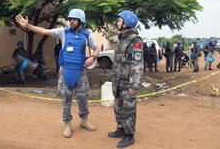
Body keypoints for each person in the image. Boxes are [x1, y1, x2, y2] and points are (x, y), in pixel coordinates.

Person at [15, 8, 100, 138]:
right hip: (66, 70)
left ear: (81, 21)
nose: (71, 21)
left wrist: (93, 57)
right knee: (66, 98)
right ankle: (67, 123)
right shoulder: (63, 32)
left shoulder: (87, 35)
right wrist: (28, 26)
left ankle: (84, 121)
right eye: (70, 19)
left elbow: (96, 48)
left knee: (83, 97)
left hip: (81, 71)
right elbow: (44, 31)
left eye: (74, 19)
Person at [108, 10, 143, 148]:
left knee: (128, 109)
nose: (117, 22)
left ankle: (129, 135)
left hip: (128, 82)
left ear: (127, 23)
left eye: (119, 20)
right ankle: (121, 129)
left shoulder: (135, 41)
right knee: (118, 107)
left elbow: (137, 64)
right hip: (118, 81)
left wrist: (134, 85)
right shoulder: (122, 39)